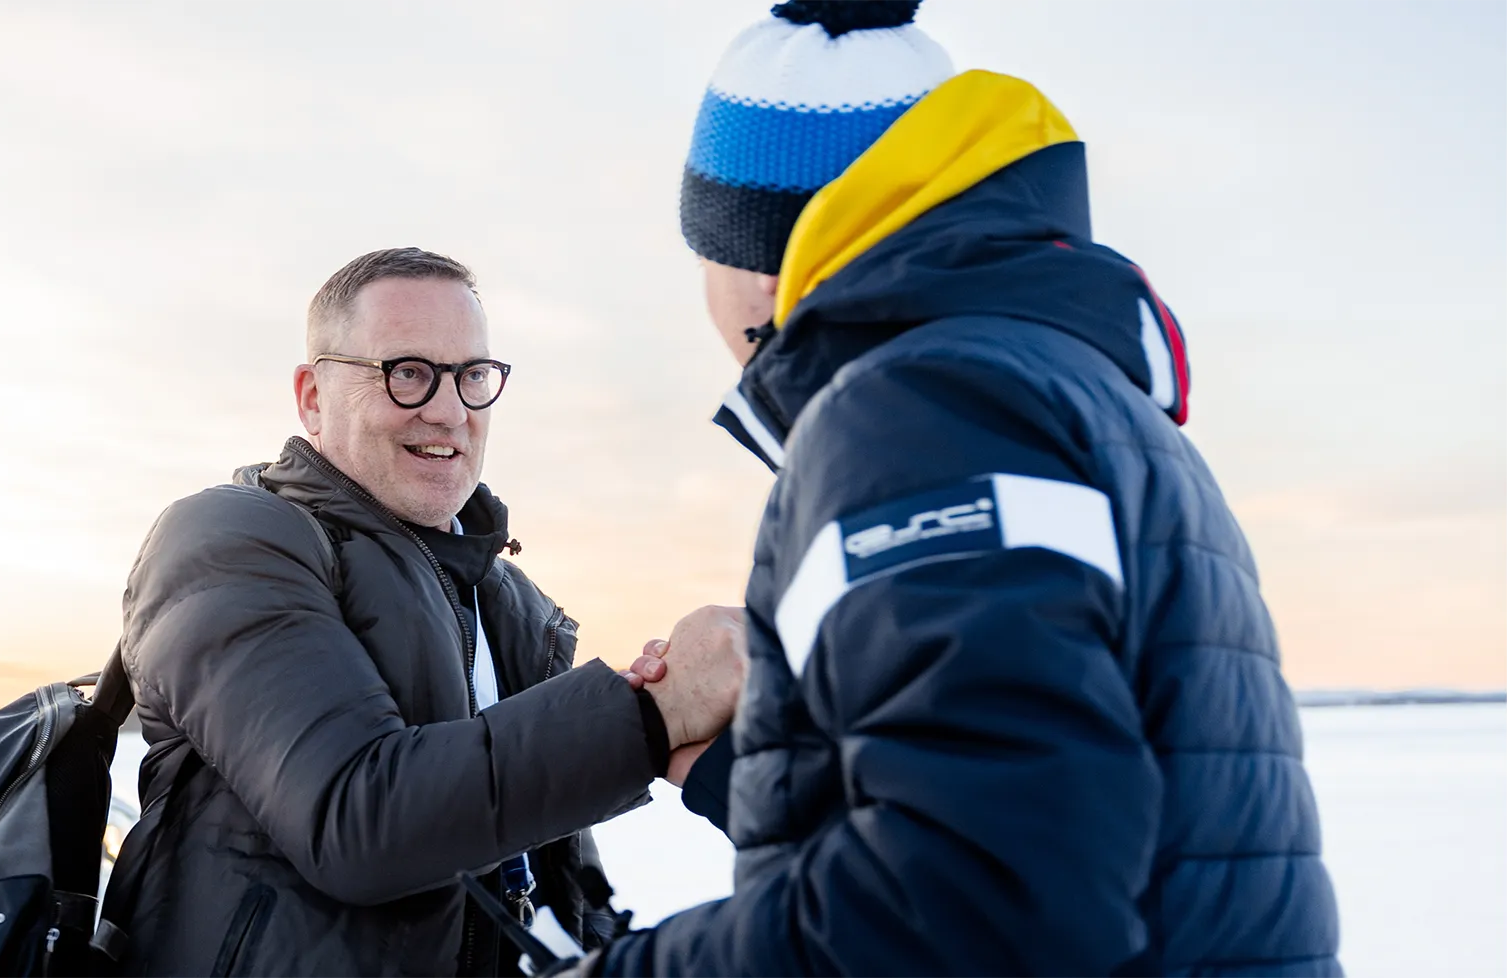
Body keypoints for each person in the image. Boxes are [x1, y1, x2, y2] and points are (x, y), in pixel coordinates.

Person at [589, 2, 1343, 976]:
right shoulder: (1064, 390)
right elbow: (1075, 819)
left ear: (752, 258)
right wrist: (753, 774)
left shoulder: (920, 406)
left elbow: (982, 901)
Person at [106, 247, 744, 977]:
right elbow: (355, 819)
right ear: (313, 395)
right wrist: (652, 714)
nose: (449, 411)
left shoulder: (511, 603)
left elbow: (541, 860)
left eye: (472, 376)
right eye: (406, 373)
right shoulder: (230, 541)